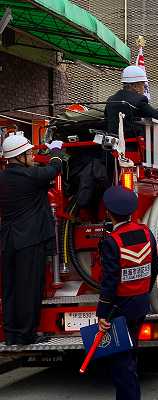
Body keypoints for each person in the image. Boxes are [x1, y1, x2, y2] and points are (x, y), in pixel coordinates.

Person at [0, 134, 63, 345]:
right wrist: (55, 152)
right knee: (29, 288)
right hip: (30, 240)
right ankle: (27, 334)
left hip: (7, 240)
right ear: (19, 156)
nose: (32, 157)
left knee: (10, 288)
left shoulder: (3, 177)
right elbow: (54, 169)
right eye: (29, 153)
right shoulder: (31, 176)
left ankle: (10, 334)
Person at [97, 186, 158, 400]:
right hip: (140, 304)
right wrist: (143, 292)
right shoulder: (146, 233)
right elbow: (154, 269)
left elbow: (109, 282)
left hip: (118, 309)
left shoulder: (112, 241)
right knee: (130, 356)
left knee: (120, 364)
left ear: (109, 213)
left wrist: (102, 314)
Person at [104, 65, 158, 138]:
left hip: (113, 143)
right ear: (135, 86)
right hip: (133, 143)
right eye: (144, 85)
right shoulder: (139, 100)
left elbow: (106, 117)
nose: (144, 88)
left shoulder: (110, 100)